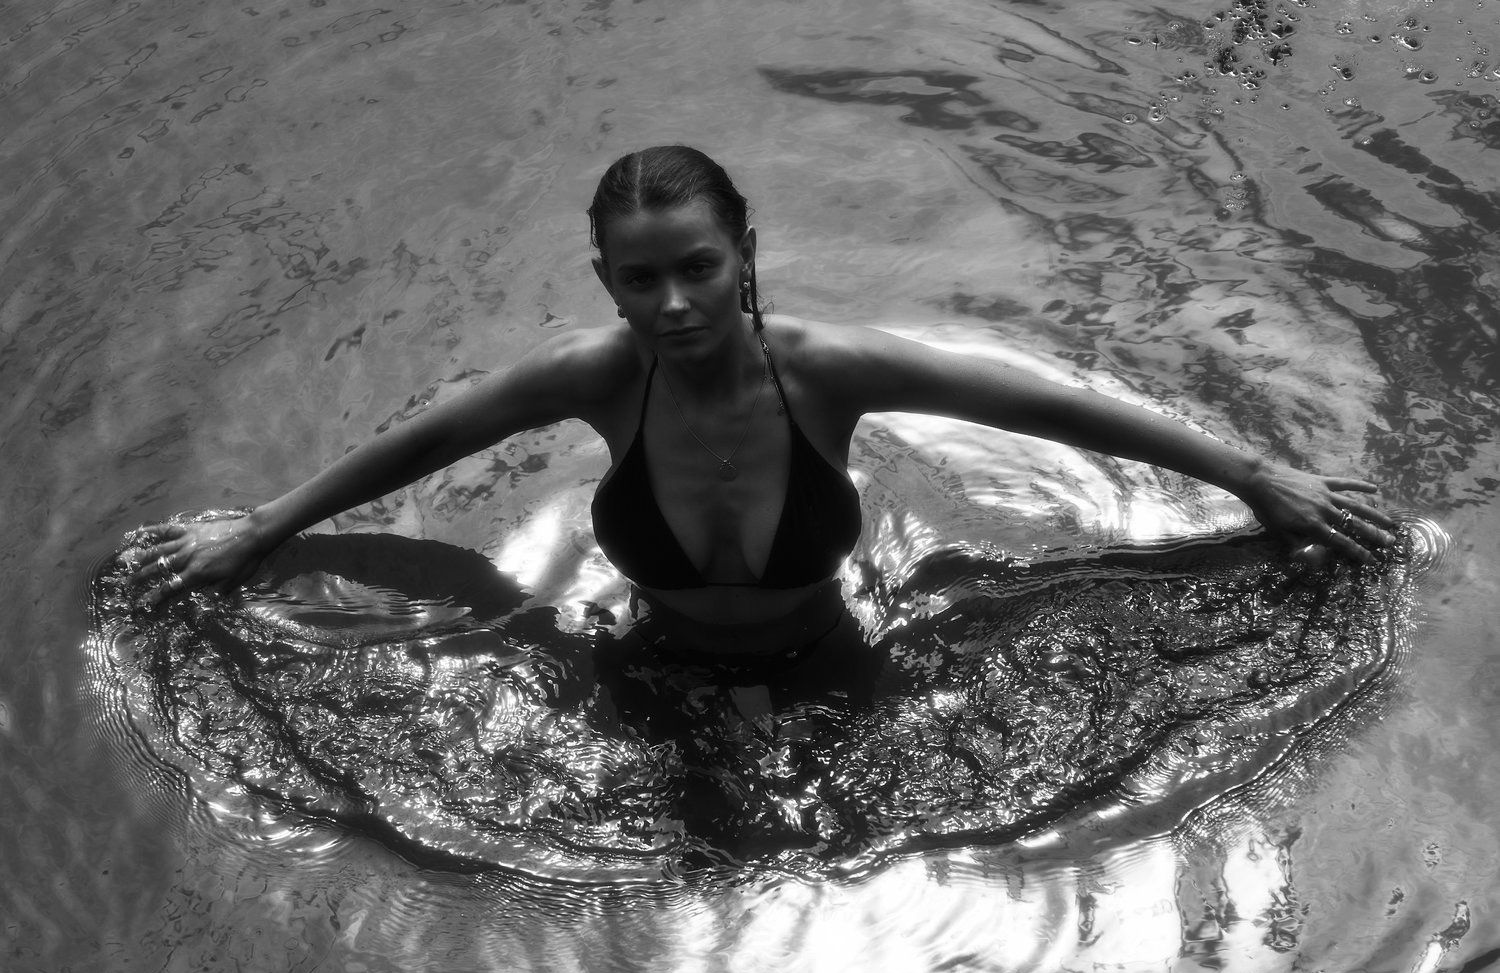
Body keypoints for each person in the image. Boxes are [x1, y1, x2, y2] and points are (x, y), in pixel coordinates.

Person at [122, 145, 1397, 656]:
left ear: (744, 253)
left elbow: (1045, 409)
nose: (674, 303)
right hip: (649, 658)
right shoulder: (590, 376)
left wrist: (1255, 479)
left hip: (830, 646)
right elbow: (429, 439)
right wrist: (263, 529)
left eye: (697, 267)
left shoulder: (827, 370)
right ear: (606, 283)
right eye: (641, 279)